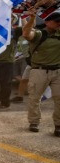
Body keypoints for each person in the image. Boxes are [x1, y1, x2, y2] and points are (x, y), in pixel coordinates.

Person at [21, 8, 60, 136]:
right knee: (34, 98)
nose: (59, 23)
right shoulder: (39, 34)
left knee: (59, 99)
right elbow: (26, 34)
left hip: (57, 71)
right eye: (57, 21)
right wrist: (31, 18)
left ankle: (58, 125)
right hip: (39, 71)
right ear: (48, 22)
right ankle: (34, 122)